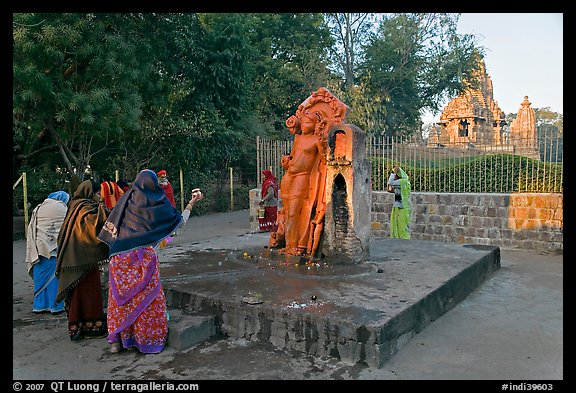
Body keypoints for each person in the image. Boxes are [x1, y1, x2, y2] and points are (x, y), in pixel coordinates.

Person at [97, 169, 204, 354]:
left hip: (118, 258)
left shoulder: (125, 199)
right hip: (143, 259)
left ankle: (118, 341)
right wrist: (191, 204)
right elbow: (176, 225)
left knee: (120, 302)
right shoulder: (156, 201)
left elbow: (112, 224)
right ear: (154, 183)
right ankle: (146, 340)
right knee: (148, 302)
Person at [56, 180, 110, 340]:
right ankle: (92, 327)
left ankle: (77, 325)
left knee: (78, 294)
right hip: (83, 260)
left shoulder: (74, 205)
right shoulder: (85, 208)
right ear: (90, 193)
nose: (99, 196)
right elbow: (94, 229)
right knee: (90, 293)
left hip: (73, 259)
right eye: (98, 193)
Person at [25, 191, 70, 314]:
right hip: (54, 249)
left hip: (39, 247)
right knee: (55, 278)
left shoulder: (40, 207)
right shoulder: (62, 208)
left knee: (40, 277)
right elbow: (65, 228)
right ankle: (55, 306)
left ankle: (39, 305)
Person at [387, 165, 411, 239]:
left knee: (402, 224)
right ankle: (398, 237)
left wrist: (393, 172)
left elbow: (390, 182)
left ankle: (404, 238)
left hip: (402, 207)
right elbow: (390, 189)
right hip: (398, 205)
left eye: (395, 175)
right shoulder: (401, 183)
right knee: (396, 223)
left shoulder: (402, 182)